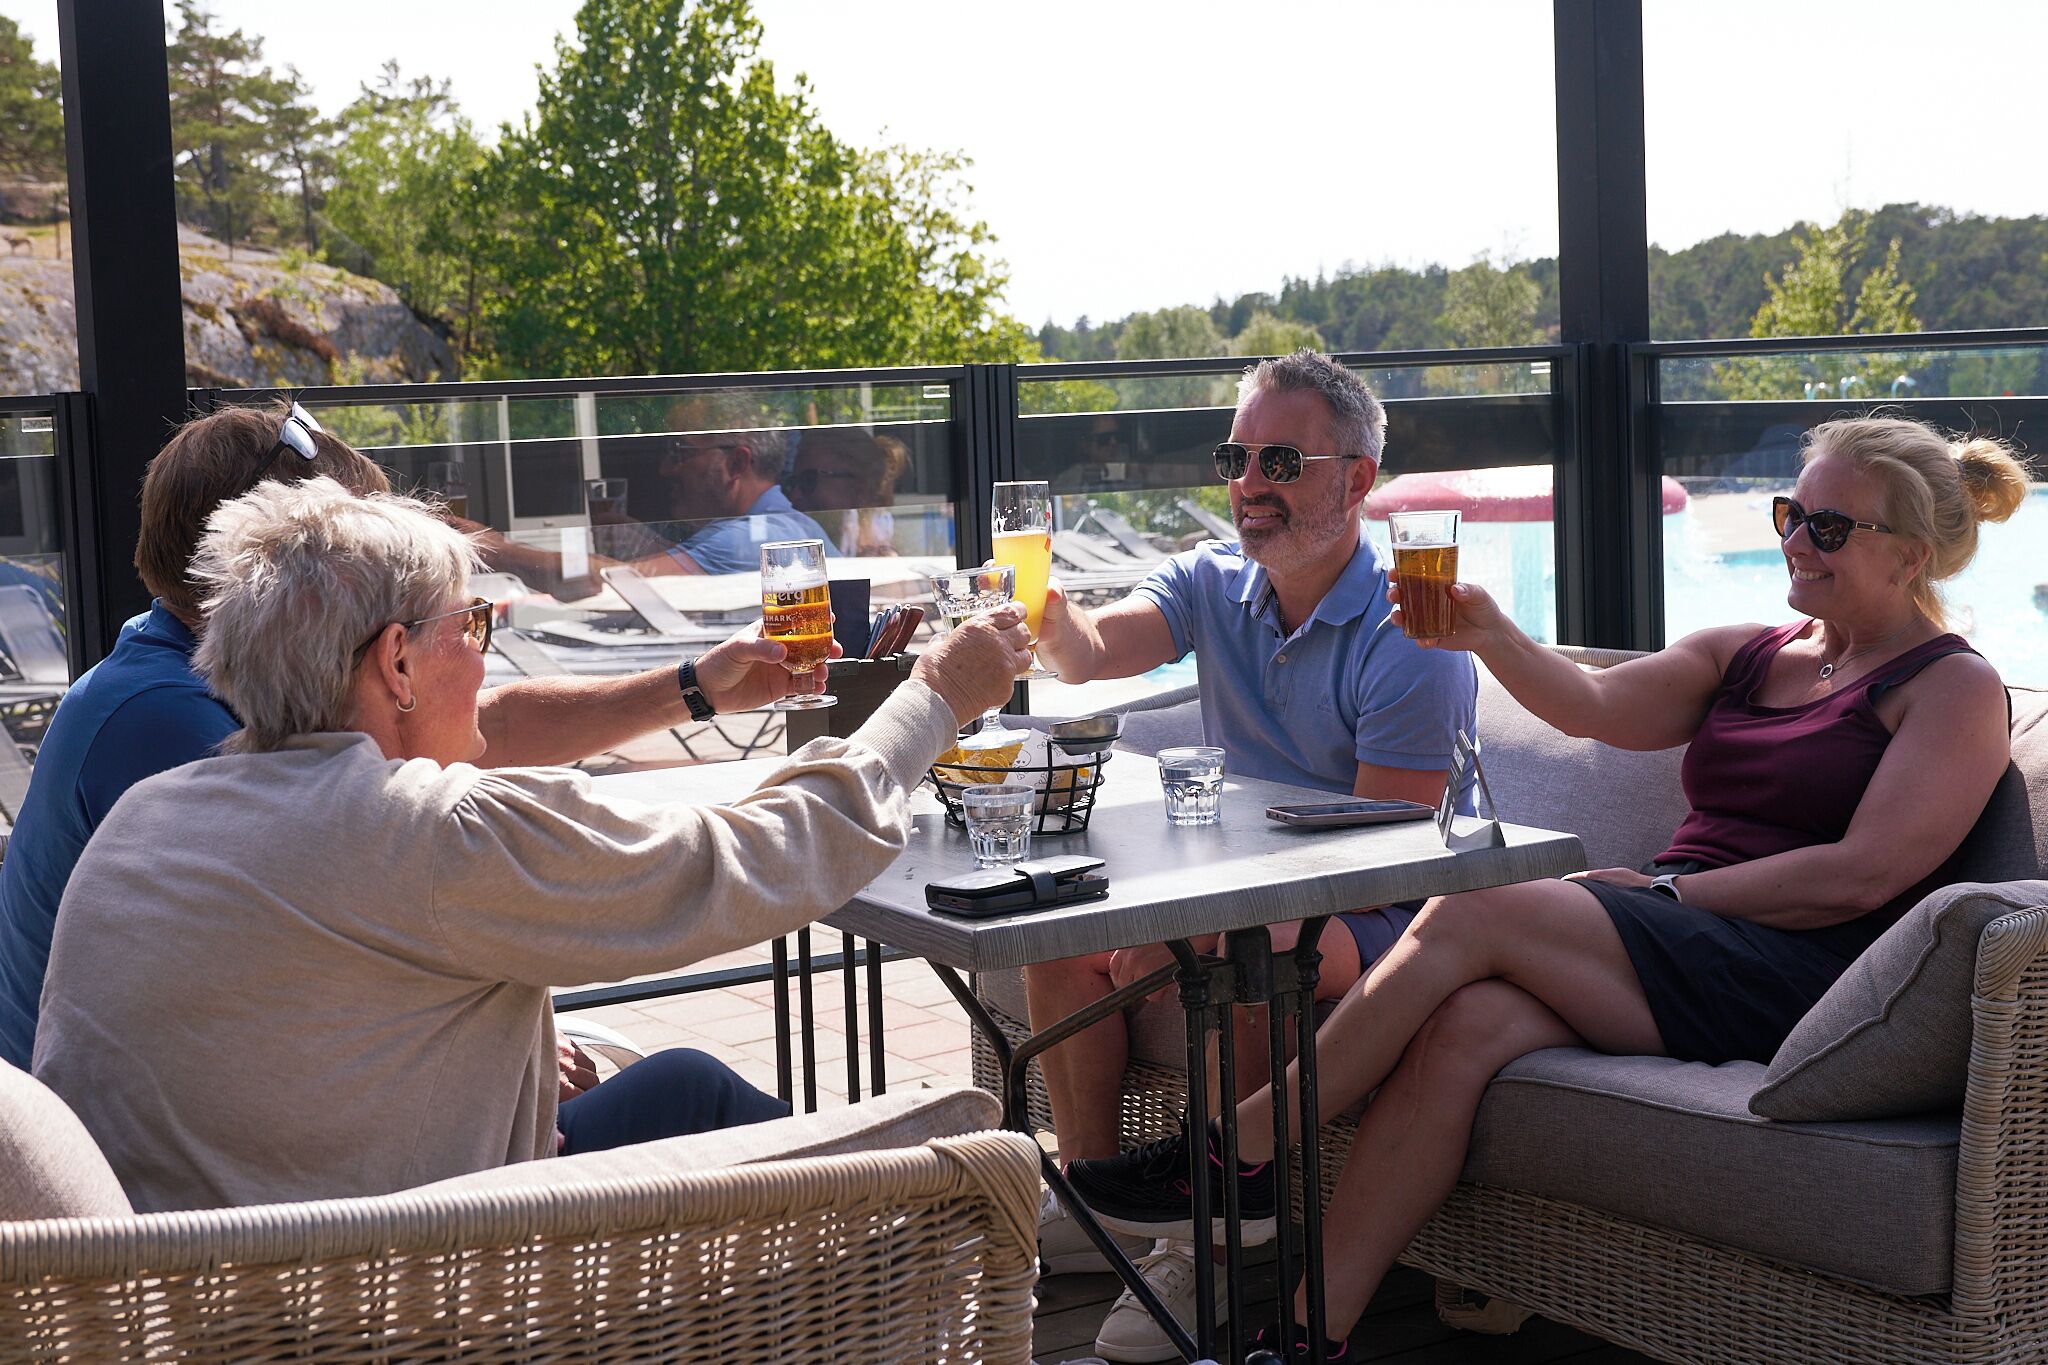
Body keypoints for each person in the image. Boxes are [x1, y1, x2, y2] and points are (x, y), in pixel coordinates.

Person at [1064, 414, 2029, 1359]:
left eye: (1829, 527)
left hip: (1795, 970)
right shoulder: (1751, 654)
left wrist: (1671, 899)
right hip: (1679, 932)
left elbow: (1863, 873)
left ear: (1910, 557)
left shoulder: (1951, 689)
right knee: (1467, 1027)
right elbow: (1598, 706)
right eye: (1790, 513)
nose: (1795, 543)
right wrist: (1488, 633)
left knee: (1478, 904)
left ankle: (1234, 1155)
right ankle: (1310, 1335)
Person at [32, 476, 1031, 1213]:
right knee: (939, 1168)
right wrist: (936, 698)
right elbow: (762, 858)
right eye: (472, 623)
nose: (489, 651)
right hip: (400, 1296)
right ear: (398, 664)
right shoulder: (424, 832)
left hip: (198, 1299)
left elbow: (303, 1025)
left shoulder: (149, 816)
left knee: (681, 1083)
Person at [0, 402, 847, 1072]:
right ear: (272, 549)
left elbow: (485, 730)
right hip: (190, 1191)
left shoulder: (195, 672)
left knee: (675, 1082)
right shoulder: (169, 722)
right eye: (349, 535)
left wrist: (695, 685)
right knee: (681, 1091)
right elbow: (328, 952)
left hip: (215, 1136)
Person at [1028, 350, 1477, 1360]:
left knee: (1216, 957)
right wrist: (1046, 620)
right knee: (1053, 938)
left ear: (1356, 479)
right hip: (1243, 884)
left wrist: (1196, 911)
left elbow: (1393, 852)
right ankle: (1109, 1210)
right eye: (1235, 457)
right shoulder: (1208, 582)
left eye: (1279, 460)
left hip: (1379, 910)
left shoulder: (1411, 622)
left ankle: (1219, 1248)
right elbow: (1093, 653)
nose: (1246, 485)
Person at [638, 393, 837, 575]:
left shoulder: (752, 537)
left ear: (736, 463)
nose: (665, 469)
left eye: (681, 452)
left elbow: (623, 584)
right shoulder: (780, 525)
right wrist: (633, 537)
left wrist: (623, 540)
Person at [787, 425, 909, 555]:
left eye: (809, 480)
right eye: (792, 483)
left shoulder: (883, 560)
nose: (794, 496)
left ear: (861, 489)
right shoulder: (792, 545)